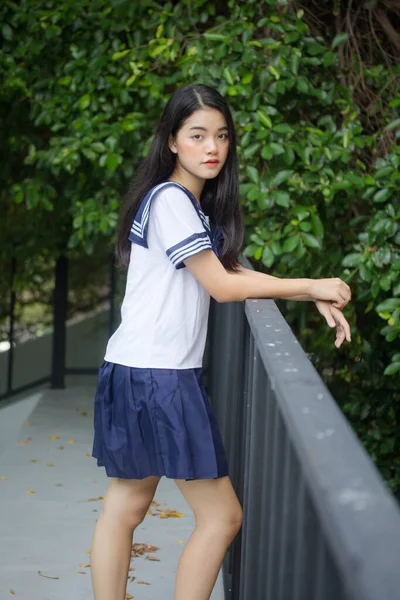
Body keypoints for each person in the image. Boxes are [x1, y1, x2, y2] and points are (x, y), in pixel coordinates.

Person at [90, 83, 352, 600]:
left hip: (130, 367)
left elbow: (224, 269)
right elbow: (223, 285)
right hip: (160, 376)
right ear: (171, 141)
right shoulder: (172, 201)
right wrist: (310, 285)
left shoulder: (179, 202)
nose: (212, 147)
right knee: (222, 516)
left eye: (222, 135)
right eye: (197, 135)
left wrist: (304, 295)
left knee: (124, 507)